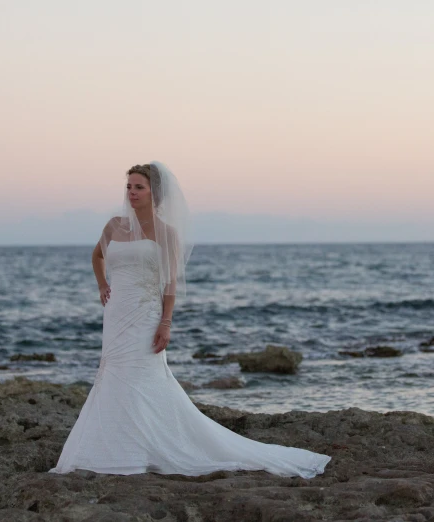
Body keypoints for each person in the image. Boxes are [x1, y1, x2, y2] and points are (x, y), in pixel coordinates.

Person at [48, 162, 331, 478]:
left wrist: (166, 322)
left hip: (145, 314)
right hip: (116, 314)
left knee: (143, 375)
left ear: (154, 192)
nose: (132, 192)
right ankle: (116, 448)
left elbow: (170, 283)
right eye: (129, 186)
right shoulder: (114, 225)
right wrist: (103, 284)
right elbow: (97, 256)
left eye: (139, 187)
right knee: (112, 373)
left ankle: (147, 446)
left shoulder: (166, 233)